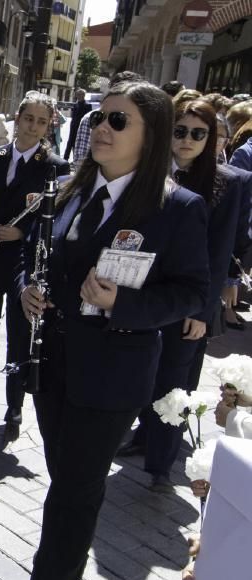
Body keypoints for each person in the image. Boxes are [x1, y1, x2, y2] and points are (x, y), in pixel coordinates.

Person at [18, 82, 209, 580]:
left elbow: (193, 292)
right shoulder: (71, 188)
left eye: (118, 121)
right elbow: (36, 258)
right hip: (53, 365)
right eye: (99, 119)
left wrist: (121, 305)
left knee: (73, 494)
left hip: (112, 376)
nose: (102, 128)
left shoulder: (178, 208)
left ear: (151, 135)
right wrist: (27, 289)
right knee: (68, 482)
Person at [117, 101, 246, 491]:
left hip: (188, 301)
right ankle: (142, 436)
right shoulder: (145, 171)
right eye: (180, 131)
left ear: (211, 139)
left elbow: (221, 250)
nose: (187, 140)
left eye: (198, 133)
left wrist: (203, 311)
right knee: (140, 371)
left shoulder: (230, 181)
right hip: (145, 294)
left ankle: (161, 463)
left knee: (175, 383)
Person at [0, 93, 68, 443]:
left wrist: (22, 230)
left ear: (48, 126)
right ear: (18, 118)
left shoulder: (57, 165)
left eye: (41, 122)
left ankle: (14, 403)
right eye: (29, 119)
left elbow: (56, 221)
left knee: (19, 332)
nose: (33, 127)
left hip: (24, 262)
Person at [64, 89, 91, 161]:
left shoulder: (87, 105)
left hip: (81, 127)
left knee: (77, 143)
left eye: (79, 94)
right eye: (77, 94)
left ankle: (75, 159)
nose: (77, 96)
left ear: (83, 95)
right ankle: (65, 158)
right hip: (73, 126)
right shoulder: (75, 105)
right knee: (70, 142)